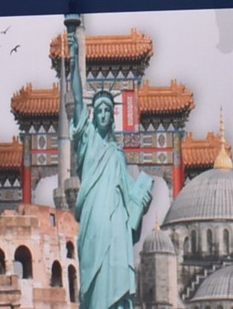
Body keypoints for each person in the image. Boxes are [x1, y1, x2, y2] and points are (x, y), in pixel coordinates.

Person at [72, 88, 152, 309]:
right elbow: (77, 101)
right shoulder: (87, 141)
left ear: (112, 116)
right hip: (93, 220)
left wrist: (142, 200)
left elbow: (129, 192)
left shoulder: (118, 155)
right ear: (93, 115)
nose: (103, 114)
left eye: (107, 110)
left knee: (117, 277)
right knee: (93, 280)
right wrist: (72, 65)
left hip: (117, 220)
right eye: (99, 110)